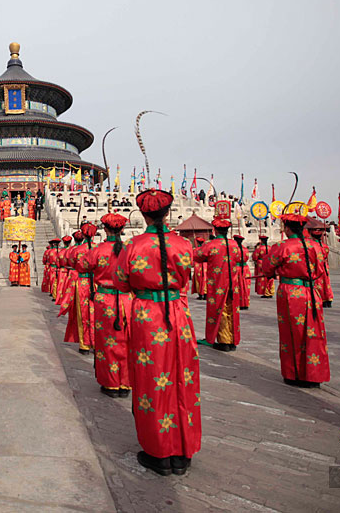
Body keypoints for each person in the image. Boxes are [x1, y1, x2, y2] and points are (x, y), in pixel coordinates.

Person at [114, 189, 199, 476]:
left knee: (151, 379)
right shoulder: (184, 245)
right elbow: (188, 278)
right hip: (178, 313)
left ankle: (159, 451)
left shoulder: (133, 246)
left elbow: (121, 281)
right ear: (168, 211)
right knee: (181, 376)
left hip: (146, 315)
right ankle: (182, 450)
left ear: (143, 213)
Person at [260, 213, 330, 388]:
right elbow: (321, 270)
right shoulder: (316, 246)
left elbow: (267, 267)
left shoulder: (282, 246)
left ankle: (294, 373)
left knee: (292, 333)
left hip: (291, 293)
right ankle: (314, 374)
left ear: (287, 228)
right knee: (313, 332)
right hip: (312, 292)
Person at [80, 213, 132, 398]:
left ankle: (111, 383)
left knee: (107, 342)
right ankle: (125, 383)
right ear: (123, 230)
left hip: (104, 300)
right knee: (126, 341)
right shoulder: (129, 249)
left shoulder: (97, 250)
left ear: (105, 229)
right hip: (126, 300)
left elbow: (81, 265)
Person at [195, 220, 243, 352]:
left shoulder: (211, 244)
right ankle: (232, 340)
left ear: (214, 231)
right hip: (233, 283)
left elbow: (197, 256)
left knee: (219, 309)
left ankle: (223, 341)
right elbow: (240, 258)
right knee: (232, 309)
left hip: (217, 283)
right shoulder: (234, 245)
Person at [64, 227, 96, 354]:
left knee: (82, 313)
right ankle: (96, 342)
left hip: (82, 283)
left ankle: (84, 344)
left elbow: (72, 264)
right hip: (97, 284)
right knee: (96, 314)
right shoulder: (99, 248)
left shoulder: (77, 250)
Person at [308, 222, 334, 308]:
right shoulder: (324, 246)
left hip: (315, 267)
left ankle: (319, 299)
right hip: (324, 266)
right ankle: (328, 299)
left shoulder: (310, 246)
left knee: (318, 284)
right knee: (326, 283)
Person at [234, 235, 251, 311]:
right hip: (245, 268)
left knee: (238, 286)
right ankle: (246, 303)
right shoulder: (245, 249)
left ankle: (239, 303)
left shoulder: (234, 249)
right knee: (245, 286)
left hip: (236, 268)